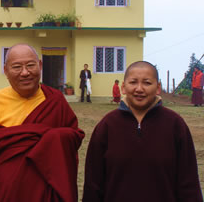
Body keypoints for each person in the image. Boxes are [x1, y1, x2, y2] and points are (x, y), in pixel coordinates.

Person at [0, 44, 85, 202]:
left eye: (30, 65)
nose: (25, 73)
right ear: (5, 71)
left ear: (40, 65)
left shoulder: (55, 101)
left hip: (44, 193)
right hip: (2, 194)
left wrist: (54, 137)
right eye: (16, 67)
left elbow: (71, 143)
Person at [82, 61, 203, 202]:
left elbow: (189, 183)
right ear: (123, 87)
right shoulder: (107, 126)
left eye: (147, 83)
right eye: (133, 82)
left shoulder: (175, 125)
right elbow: (93, 185)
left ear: (158, 88)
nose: (139, 89)